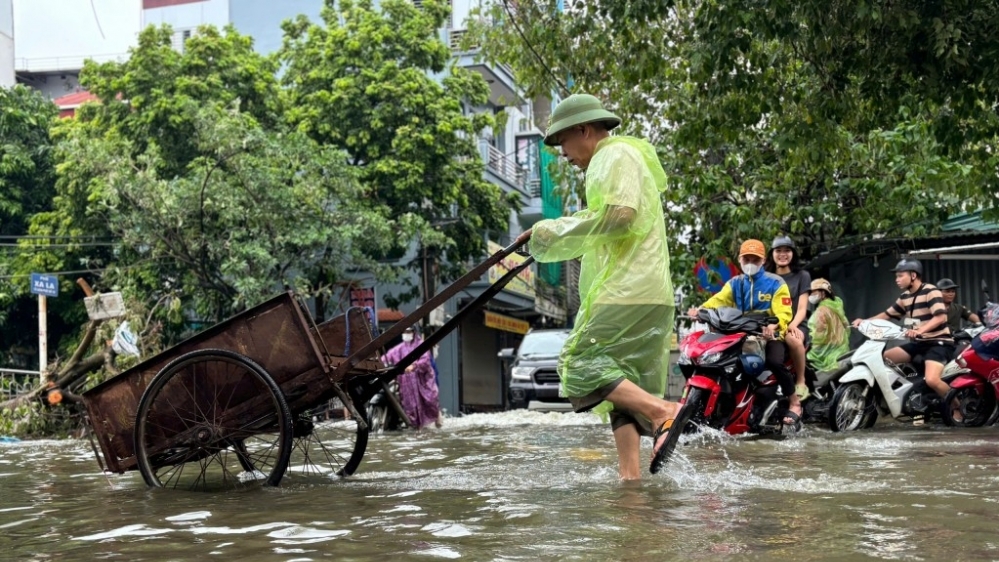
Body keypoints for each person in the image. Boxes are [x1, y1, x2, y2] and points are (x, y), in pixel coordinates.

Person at [519, 93, 680, 479]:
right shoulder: (626, 157)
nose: (563, 154)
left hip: (628, 291)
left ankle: (665, 413)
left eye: (562, 142)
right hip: (649, 293)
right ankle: (631, 481)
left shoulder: (612, 155)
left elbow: (621, 215)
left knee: (578, 366)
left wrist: (552, 230)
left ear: (583, 129)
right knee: (622, 391)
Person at [687, 239, 798, 424]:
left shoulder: (776, 283)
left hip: (768, 335)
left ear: (763, 261)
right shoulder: (735, 283)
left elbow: (784, 312)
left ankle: (794, 403)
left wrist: (774, 326)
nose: (750, 263)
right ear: (740, 260)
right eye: (747, 259)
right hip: (738, 335)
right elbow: (717, 300)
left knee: (774, 362)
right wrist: (699, 310)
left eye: (755, 260)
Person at [851, 259, 955, 401]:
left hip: (938, 343)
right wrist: (864, 321)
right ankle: (906, 392)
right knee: (881, 358)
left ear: (913, 275)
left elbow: (940, 318)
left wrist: (920, 330)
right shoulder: (905, 296)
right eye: (896, 276)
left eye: (900, 276)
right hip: (918, 343)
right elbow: (887, 314)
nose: (897, 280)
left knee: (932, 380)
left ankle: (956, 407)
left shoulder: (931, 291)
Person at [765, 235, 811, 419]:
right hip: (771, 326)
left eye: (787, 250)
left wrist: (791, 325)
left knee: (792, 338)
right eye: (778, 251)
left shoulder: (802, 276)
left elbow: (801, 308)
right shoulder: (766, 277)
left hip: (795, 324)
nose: (783, 254)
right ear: (772, 254)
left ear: (793, 253)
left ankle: (800, 380)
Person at [380, 326, 443, 429]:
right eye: (404, 331)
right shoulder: (399, 348)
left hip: (422, 381)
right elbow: (387, 356)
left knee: (429, 401)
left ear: (414, 333)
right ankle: (415, 427)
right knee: (410, 406)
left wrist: (414, 366)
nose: (406, 334)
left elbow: (425, 360)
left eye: (408, 331)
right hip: (407, 384)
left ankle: (432, 421)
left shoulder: (420, 346)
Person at [806, 278, 850, 373]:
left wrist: (808, 346)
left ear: (824, 293)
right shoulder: (837, 308)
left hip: (825, 355)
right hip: (841, 351)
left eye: (814, 292)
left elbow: (818, 335)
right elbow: (847, 328)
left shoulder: (821, 311)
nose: (811, 295)